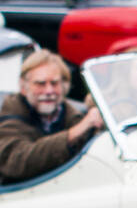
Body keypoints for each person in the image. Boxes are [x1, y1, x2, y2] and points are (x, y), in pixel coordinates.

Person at [0, 49, 103, 185]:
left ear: (65, 87)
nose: (49, 91)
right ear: (24, 87)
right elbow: (16, 161)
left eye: (54, 83)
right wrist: (74, 133)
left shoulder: (74, 115)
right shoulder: (12, 113)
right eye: (40, 84)